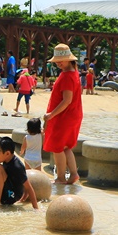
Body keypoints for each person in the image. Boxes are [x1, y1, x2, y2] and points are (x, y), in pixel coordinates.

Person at [43, 43, 83, 185]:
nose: (58, 63)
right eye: (57, 61)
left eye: (61, 59)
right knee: (66, 147)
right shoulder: (74, 73)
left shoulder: (66, 76)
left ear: (69, 59)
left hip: (64, 116)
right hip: (73, 115)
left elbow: (66, 101)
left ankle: (60, 177)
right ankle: (73, 174)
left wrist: (51, 115)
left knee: (57, 147)